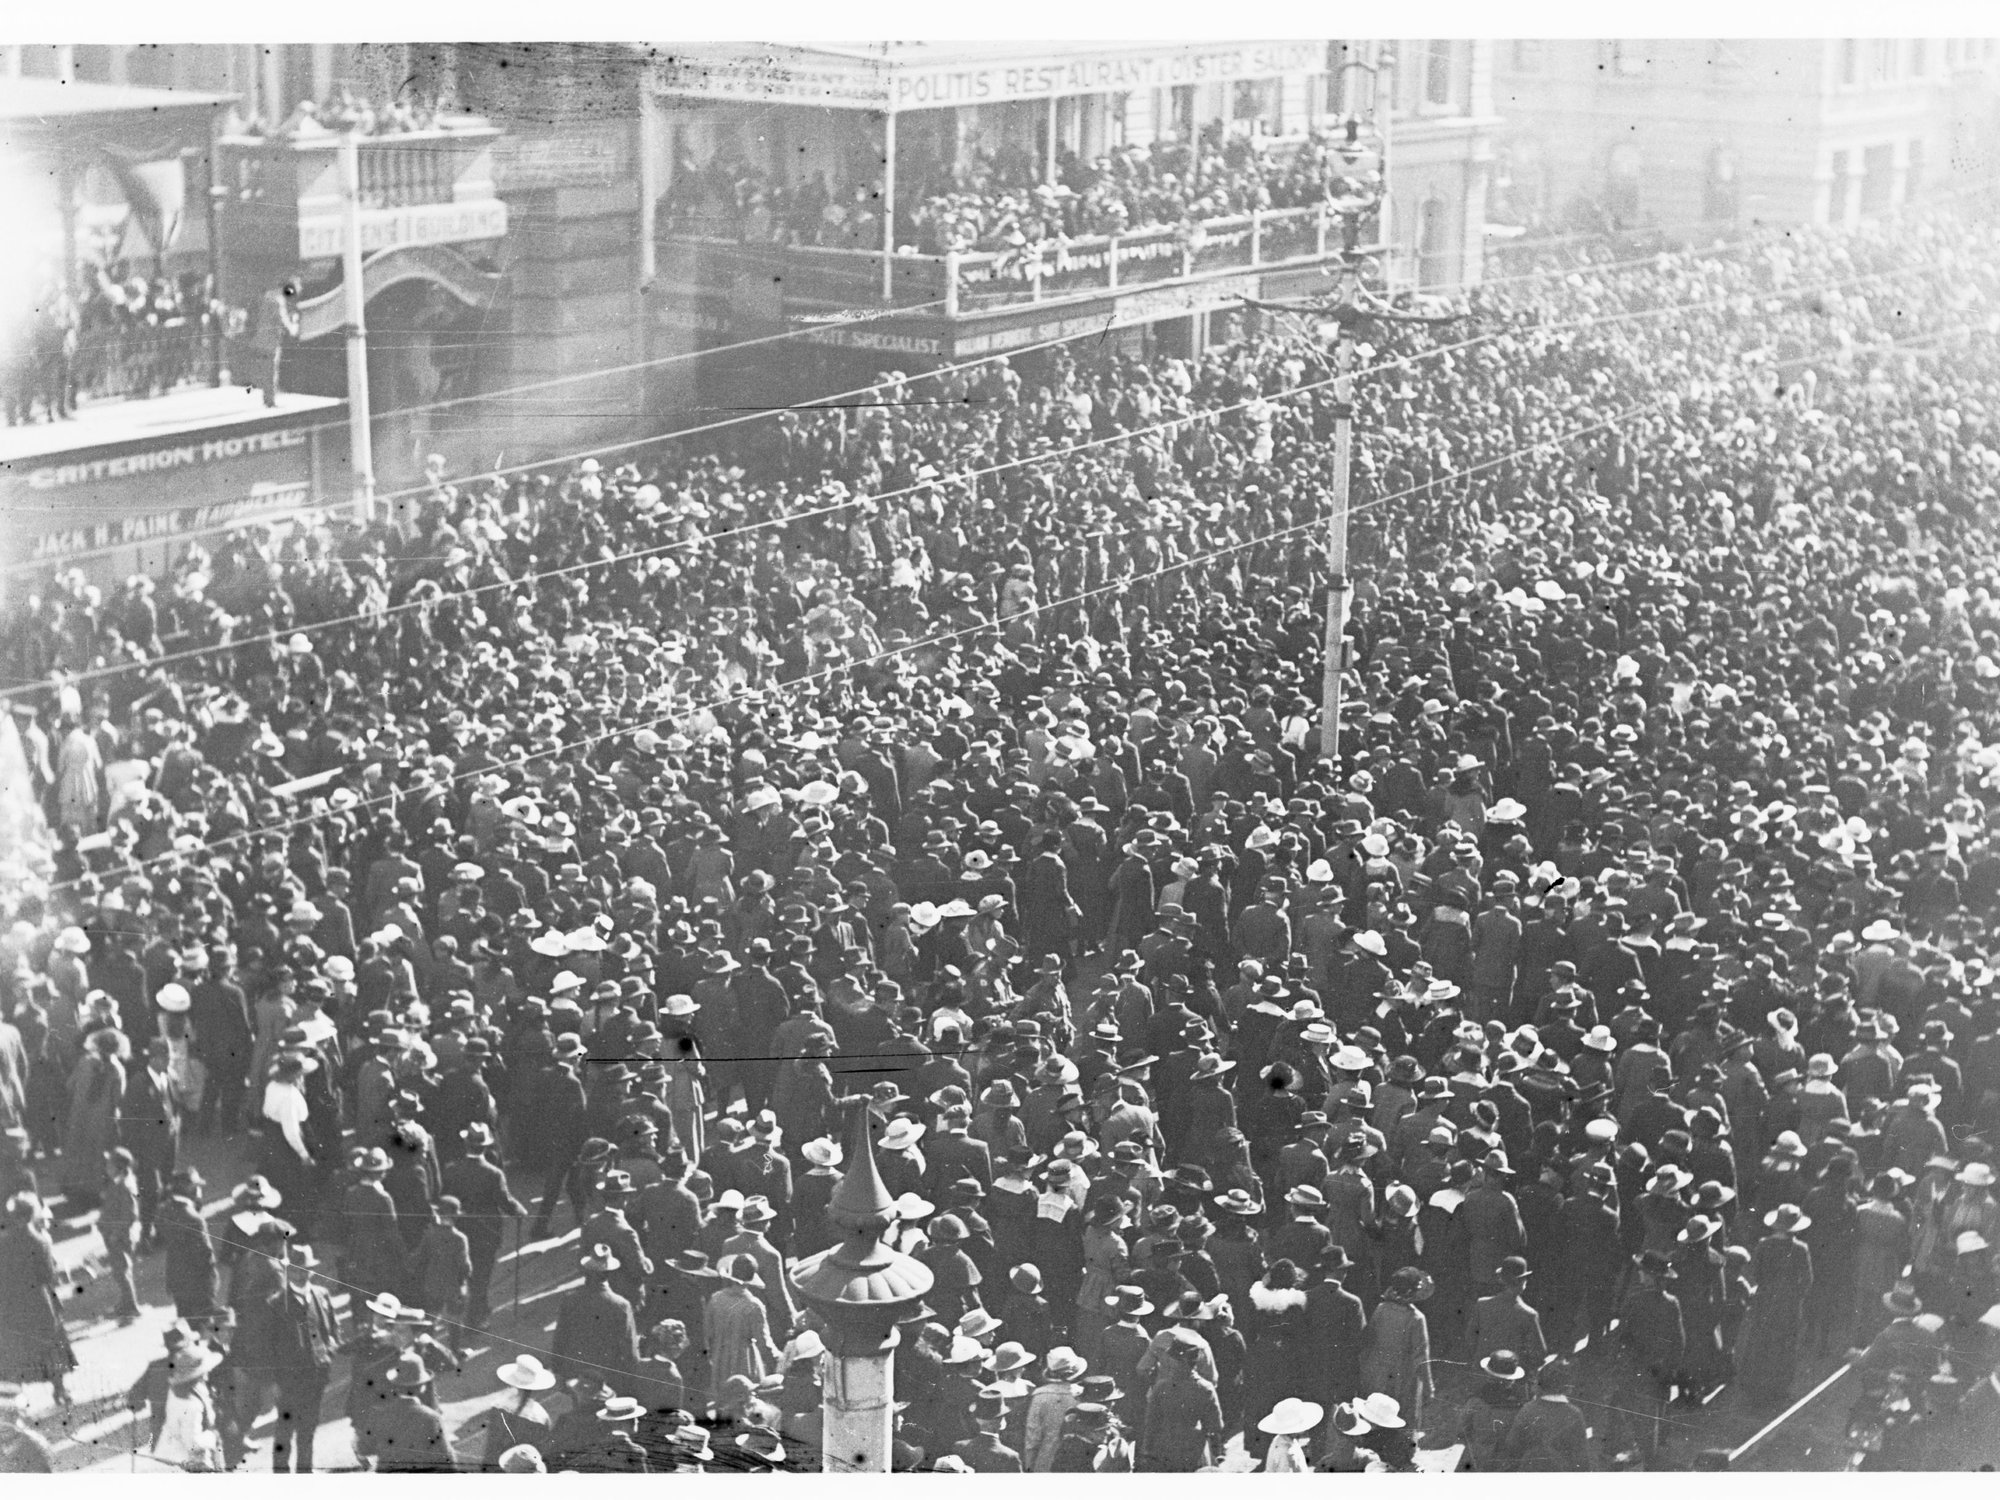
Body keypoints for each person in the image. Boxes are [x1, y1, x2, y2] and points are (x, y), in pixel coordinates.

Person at [0, 1193, 74, 1407]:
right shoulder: (40, 1241)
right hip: (39, 1303)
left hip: (10, 1302)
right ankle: (60, 1391)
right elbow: (48, 1276)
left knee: (14, 1347)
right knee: (51, 1346)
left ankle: (17, 1397)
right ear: (32, 1215)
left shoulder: (3, 1241)